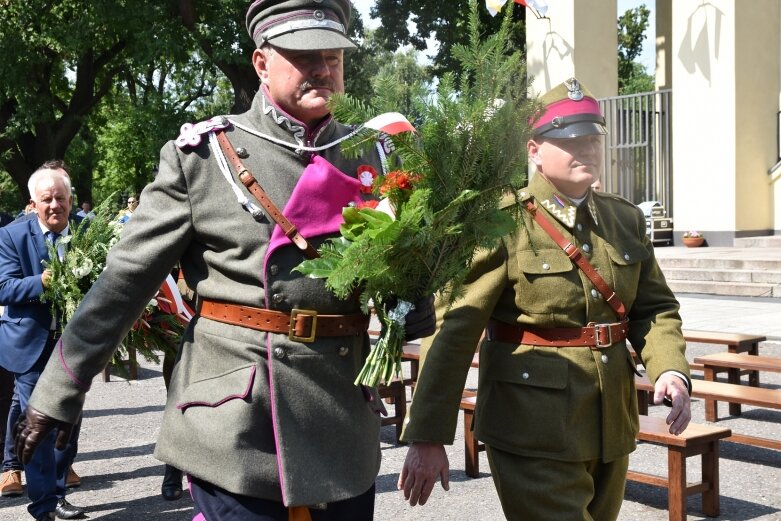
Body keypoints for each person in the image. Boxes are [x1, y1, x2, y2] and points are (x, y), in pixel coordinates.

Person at [14, 1, 433, 520]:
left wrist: (411, 301)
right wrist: (59, 390)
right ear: (261, 63)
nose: (323, 69)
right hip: (237, 422)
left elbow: (400, 266)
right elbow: (125, 281)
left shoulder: (373, 154)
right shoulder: (206, 155)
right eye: (304, 56)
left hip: (337, 419)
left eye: (333, 56)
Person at [397, 78, 692, 521]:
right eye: (569, 140)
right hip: (532, 427)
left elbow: (654, 308)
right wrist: (427, 434)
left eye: (593, 138)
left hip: (611, 422)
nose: (586, 149)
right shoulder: (501, 221)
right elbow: (457, 328)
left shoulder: (623, 219)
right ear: (534, 150)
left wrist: (670, 369)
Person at [0, 162, 84, 520]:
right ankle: (44, 505)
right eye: (46, 200)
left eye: (61, 198)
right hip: (30, 347)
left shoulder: (87, 231)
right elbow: (4, 286)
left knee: (67, 424)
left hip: (75, 346)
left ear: (70, 199)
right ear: (33, 204)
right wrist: (42, 282)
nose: (55, 206)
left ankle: (59, 494)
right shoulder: (12, 236)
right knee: (39, 426)